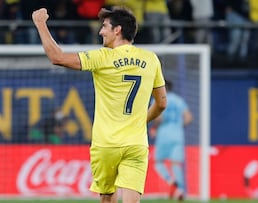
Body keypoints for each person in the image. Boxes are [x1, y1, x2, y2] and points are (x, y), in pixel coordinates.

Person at [32, 6, 167, 203]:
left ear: (117, 30)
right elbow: (162, 103)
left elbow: (57, 57)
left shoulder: (102, 57)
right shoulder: (151, 59)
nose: (100, 31)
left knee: (107, 199)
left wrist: (40, 24)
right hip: (136, 143)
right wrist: (140, 120)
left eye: (105, 26)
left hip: (106, 144)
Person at [149, 80, 192, 201]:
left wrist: (154, 128)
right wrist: (178, 126)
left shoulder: (159, 98)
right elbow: (188, 117)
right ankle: (181, 191)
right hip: (178, 136)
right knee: (176, 164)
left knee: (158, 163)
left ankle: (172, 183)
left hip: (163, 135)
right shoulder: (179, 100)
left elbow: (159, 118)